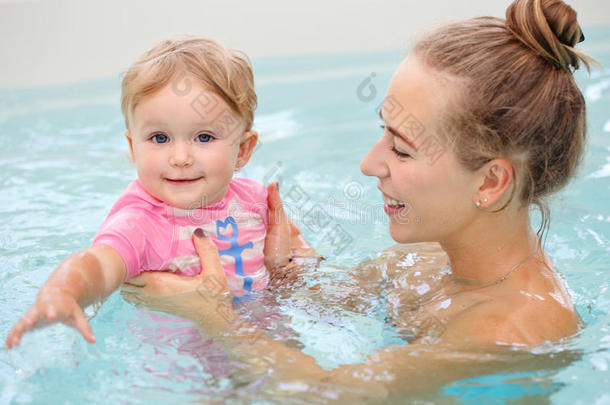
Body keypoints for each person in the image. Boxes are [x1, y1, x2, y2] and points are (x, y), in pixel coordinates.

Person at [117, 0, 597, 399]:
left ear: (490, 183)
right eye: (381, 133)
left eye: (402, 148)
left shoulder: (516, 328)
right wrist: (285, 271)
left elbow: (332, 394)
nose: (369, 163)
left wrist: (212, 315)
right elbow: (332, 305)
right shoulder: (430, 262)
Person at [4, 37, 290, 349]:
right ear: (132, 147)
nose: (180, 157)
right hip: (185, 367)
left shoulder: (255, 199)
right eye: (159, 137)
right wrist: (62, 291)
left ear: (243, 149)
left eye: (204, 136)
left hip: (266, 341)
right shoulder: (141, 222)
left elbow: (296, 263)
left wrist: (284, 265)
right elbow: (98, 264)